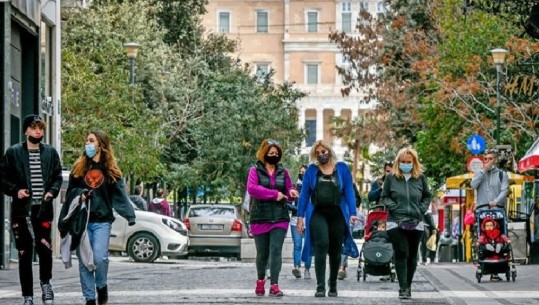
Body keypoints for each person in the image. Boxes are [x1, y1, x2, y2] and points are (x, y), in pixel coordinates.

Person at [60, 130, 136, 305]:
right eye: (87, 140)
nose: (88, 143)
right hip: (82, 221)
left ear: (101, 145)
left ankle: (101, 285)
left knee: (99, 258)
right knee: (84, 260)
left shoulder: (110, 171)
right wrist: (81, 195)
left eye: (91, 140)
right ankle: (89, 298)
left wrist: (129, 215)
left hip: (102, 221)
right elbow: (70, 193)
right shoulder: (79, 169)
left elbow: (120, 195)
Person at [0, 115, 63, 305]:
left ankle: (46, 284)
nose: (39, 132)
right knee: (24, 253)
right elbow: (2, 178)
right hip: (21, 211)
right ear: (26, 130)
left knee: (44, 249)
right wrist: (15, 191)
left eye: (41, 129)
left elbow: (57, 177)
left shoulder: (50, 153)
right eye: (35, 128)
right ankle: (28, 295)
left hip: (42, 210)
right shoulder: (13, 152)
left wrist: (51, 192)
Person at [296, 140, 359, 298]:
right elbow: (304, 195)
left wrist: (352, 212)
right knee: (321, 244)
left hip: (337, 213)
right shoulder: (311, 170)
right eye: (318, 153)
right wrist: (300, 217)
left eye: (323, 152)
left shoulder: (342, 168)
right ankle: (320, 286)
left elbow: (349, 192)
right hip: (318, 213)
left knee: (335, 249)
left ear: (329, 151)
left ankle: (333, 284)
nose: (321, 155)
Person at [247, 139, 298, 297]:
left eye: (276, 153)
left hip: (279, 217)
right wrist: (274, 194)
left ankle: (274, 285)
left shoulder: (284, 172)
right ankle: (261, 280)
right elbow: (252, 189)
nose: (274, 156)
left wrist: (291, 193)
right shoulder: (254, 170)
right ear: (264, 154)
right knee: (262, 253)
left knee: (276, 250)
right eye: (271, 153)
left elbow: (289, 189)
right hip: (260, 216)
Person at [381, 147, 431, 299]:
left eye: (408, 162)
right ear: (398, 162)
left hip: (416, 220)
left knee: (412, 255)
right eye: (403, 162)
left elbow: (427, 196)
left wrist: (420, 210)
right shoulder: (391, 178)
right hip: (395, 220)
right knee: (401, 251)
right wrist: (394, 207)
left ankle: (408, 285)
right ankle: (403, 287)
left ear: (414, 162)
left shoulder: (420, 177)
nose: (406, 164)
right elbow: (385, 196)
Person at [367, 160, 393, 281]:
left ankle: (390, 268)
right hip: (380, 217)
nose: (389, 173)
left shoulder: (398, 182)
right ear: (384, 171)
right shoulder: (377, 182)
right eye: (388, 171)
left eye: (392, 171)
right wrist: (380, 189)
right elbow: (370, 197)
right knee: (379, 239)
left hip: (393, 215)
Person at [289, 164, 312, 279]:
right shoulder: (293, 187)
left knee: (308, 245)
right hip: (295, 220)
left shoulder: (313, 188)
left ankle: (307, 269)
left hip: (309, 220)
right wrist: (298, 209)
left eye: (304, 172)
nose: (302, 174)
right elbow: (287, 203)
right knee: (297, 245)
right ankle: (297, 267)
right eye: (300, 172)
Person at [337, 186, 364, 280]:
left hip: (348, 216)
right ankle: (341, 266)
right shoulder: (332, 180)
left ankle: (341, 267)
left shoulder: (350, 185)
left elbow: (357, 199)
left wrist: (350, 207)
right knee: (337, 243)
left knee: (346, 242)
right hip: (335, 216)